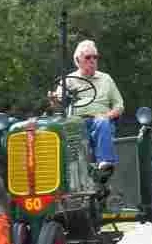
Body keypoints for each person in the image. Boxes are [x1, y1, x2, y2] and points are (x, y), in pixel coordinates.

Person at [50, 39, 124, 169]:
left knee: (102, 123)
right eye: (88, 57)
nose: (92, 60)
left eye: (95, 57)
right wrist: (53, 101)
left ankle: (105, 164)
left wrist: (106, 116)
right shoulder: (68, 80)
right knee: (59, 129)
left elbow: (119, 106)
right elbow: (58, 107)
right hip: (76, 122)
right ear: (78, 61)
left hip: (100, 121)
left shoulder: (106, 79)